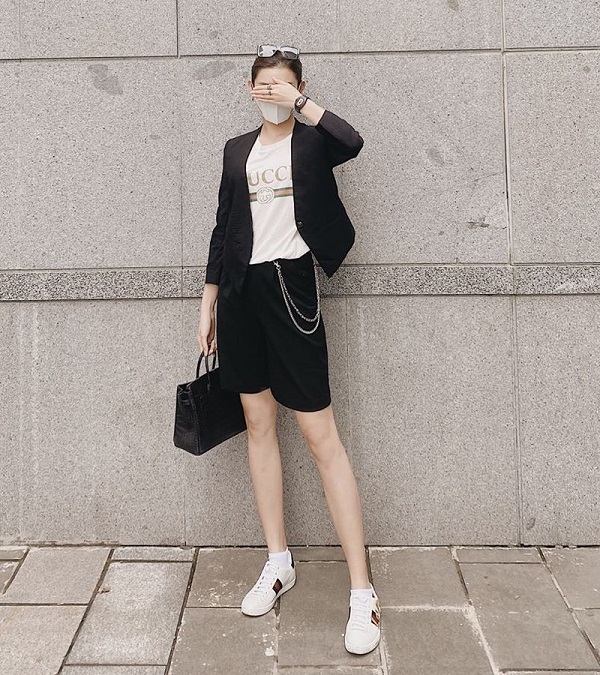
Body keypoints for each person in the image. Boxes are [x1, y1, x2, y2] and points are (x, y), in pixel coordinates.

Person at [198, 44, 381, 656]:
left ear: (298, 88)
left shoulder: (311, 141)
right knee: (257, 423)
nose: (271, 93)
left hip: (291, 286)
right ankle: (278, 561)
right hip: (241, 295)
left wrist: (301, 105)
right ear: (250, 90)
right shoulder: (236, 150)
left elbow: (353, 141)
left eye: (283, 85)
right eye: (264, 85)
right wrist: (208, 302)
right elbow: (223, 225)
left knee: (319, 434)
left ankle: (362, 591)